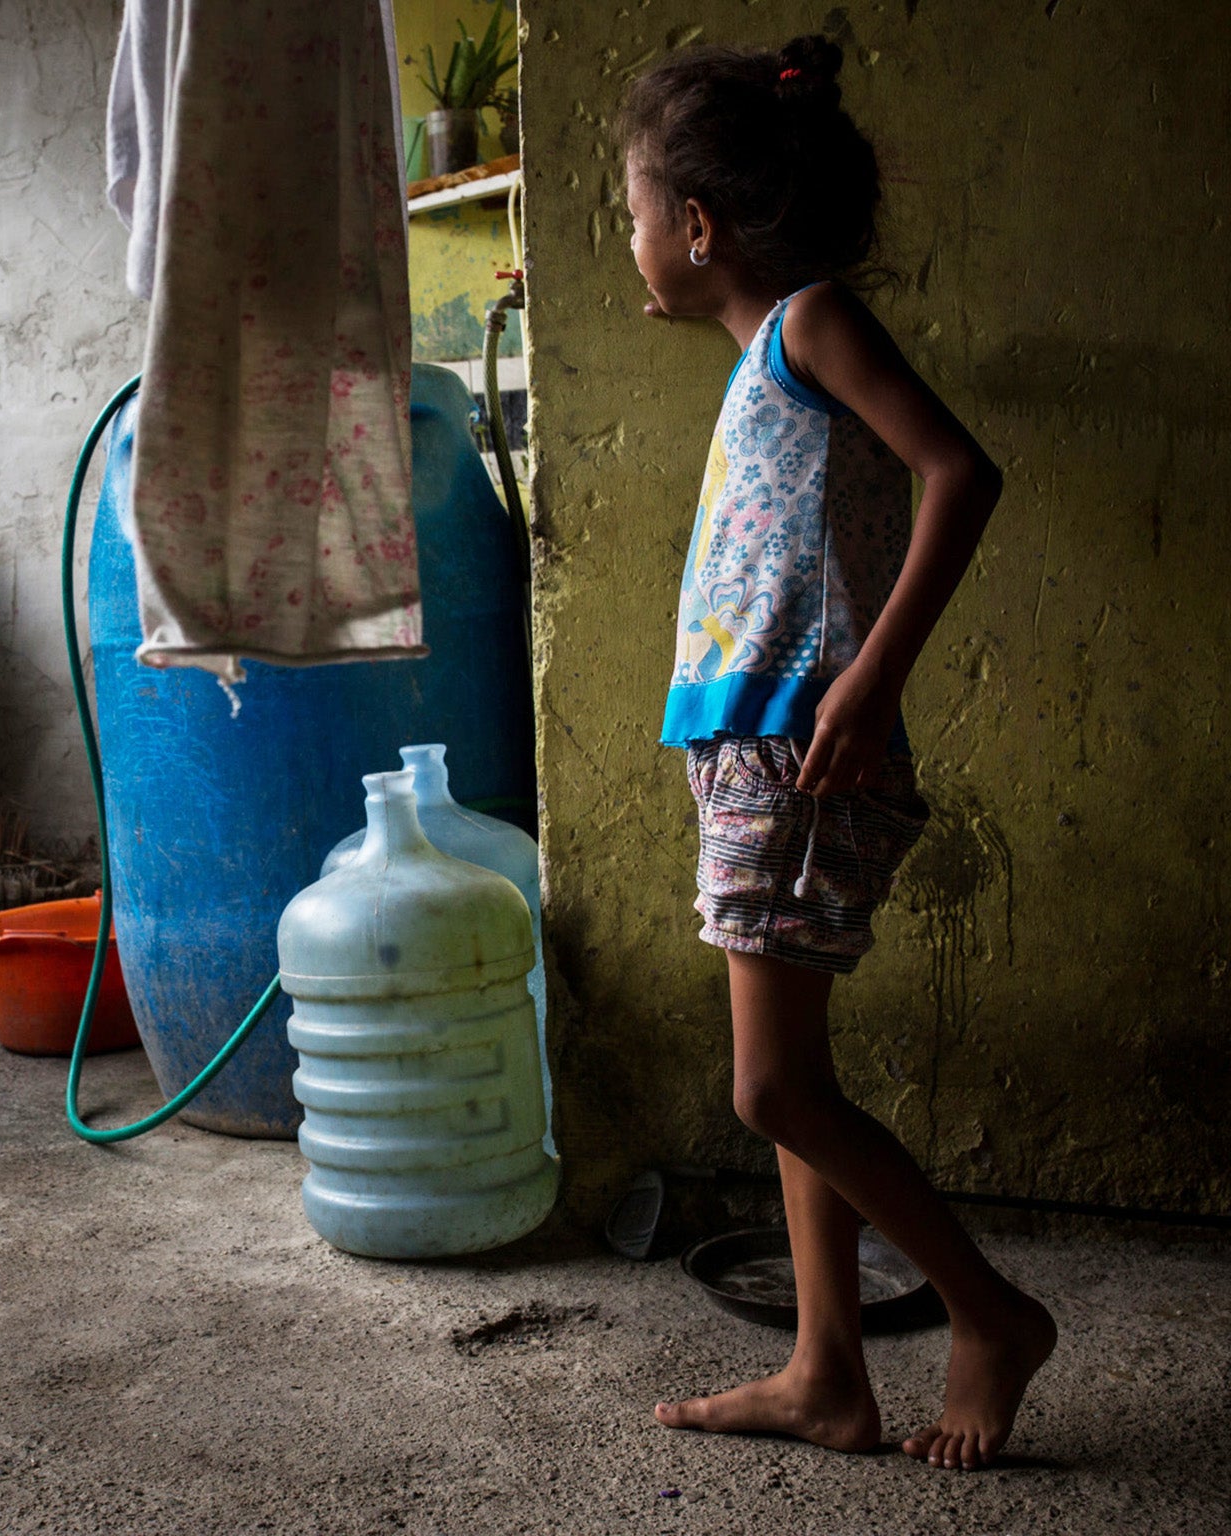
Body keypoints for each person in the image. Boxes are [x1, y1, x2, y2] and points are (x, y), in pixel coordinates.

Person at [618, 36, 1053, 1470]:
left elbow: (959, 471)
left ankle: (987, 1313)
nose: (631, 238)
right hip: (747, 745)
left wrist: (871, 678)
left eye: (634, 210)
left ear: (698, 226)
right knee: (792, 1069)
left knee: (770, 1090)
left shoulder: (808, 325)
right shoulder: (762, 361)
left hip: (798, 743)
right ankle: (827, 1371)